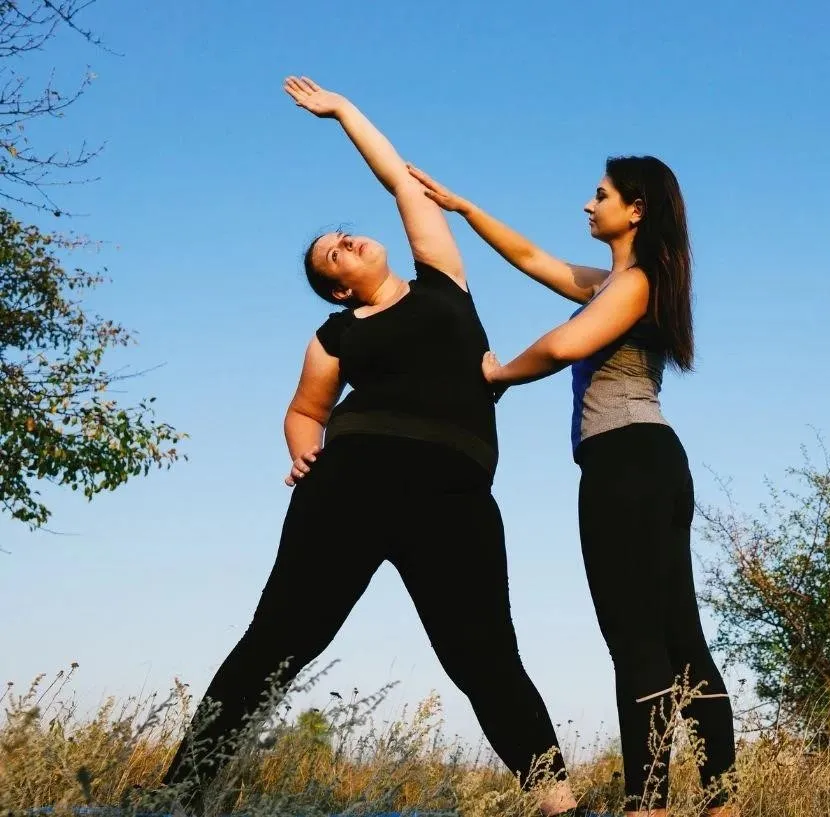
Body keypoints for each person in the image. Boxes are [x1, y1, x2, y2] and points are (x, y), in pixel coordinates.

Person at [160, 77, 576, 816]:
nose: (346, 242)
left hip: (452, 495)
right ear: (339, 291)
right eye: (334, 256)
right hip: (349, 485)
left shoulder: (444, 284)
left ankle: (558, 800)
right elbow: (303, 408)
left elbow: (398, 180)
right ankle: (181, 795)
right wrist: (301, 449)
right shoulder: (337, 335)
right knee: (280, 640)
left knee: (483, 654)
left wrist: (344, 112)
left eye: (343, 236)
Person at [407, 157, 737, 816]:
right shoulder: (625, 282)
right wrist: (465, 210)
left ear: (636, 208)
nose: (589, 205)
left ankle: (648, 806)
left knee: (639, 641)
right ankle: (722, 802)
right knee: (678, 638)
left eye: (601, 194)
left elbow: (564, 346)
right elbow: (532, 257)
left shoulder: (633, 284)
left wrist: (498, 376)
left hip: (625, 465)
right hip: (654, 462)